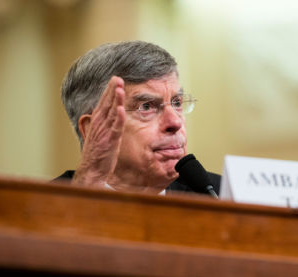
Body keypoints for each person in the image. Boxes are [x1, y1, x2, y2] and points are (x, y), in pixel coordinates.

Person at [55, 41, 220, 195]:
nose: (175, 122)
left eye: (177, 103)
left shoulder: (220, 196)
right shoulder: (42, 206)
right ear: (92, 129)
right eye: (146, 106)